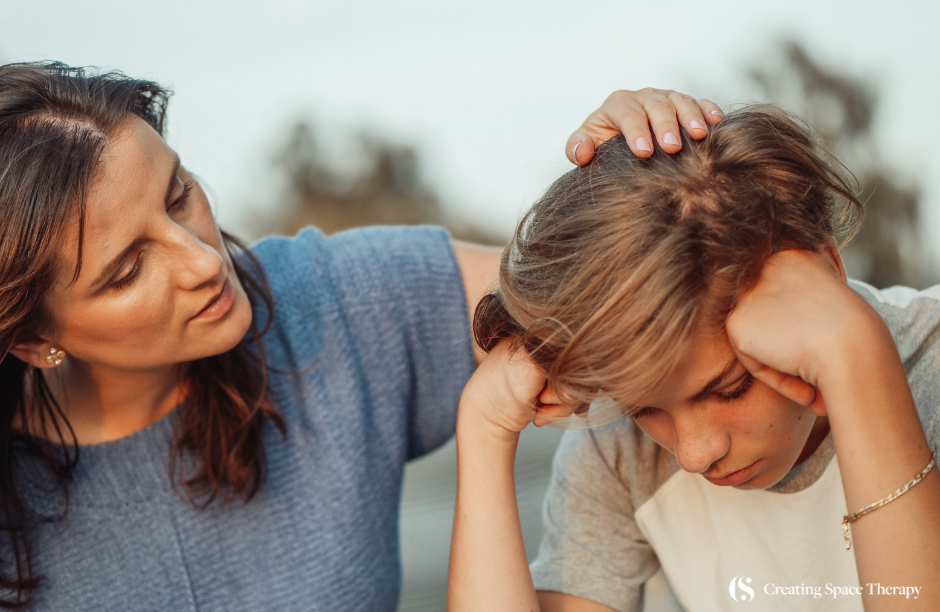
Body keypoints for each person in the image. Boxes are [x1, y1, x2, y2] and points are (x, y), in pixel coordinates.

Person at [0, 60, 723, 610]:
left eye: (178, 194)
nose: (202, 260)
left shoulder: (337, 300)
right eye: (127, 270)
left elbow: (611, 285)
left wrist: (648, 178)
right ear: (33, 340)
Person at [448, 105, 940, 612]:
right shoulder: (621, 454)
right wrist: (484, 428)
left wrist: (855, 356)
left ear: (826, 273)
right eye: (644, 408)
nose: (693, 454)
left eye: (728, 388)